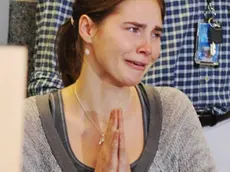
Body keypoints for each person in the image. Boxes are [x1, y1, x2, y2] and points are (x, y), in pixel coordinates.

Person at [23, 0, 217, 171]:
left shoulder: (174, 112)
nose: (148, 48)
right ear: (87, 29)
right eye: (133, 29)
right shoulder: (29, 122)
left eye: (156, 34)